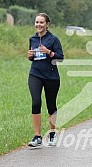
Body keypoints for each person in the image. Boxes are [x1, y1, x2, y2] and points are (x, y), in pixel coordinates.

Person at [27, 13, 64, 147]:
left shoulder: (53, 39)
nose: (38, 25)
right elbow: (32, 56)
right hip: (35, 74)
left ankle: (52, 133)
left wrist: (49, 52)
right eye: (37, 22)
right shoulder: (32, 39)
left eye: (41, 22)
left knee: (51, 105)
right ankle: (37, 136)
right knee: (36, 102)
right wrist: (30, 56)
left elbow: (60, 58)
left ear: (47, 24)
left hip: (51, 77)